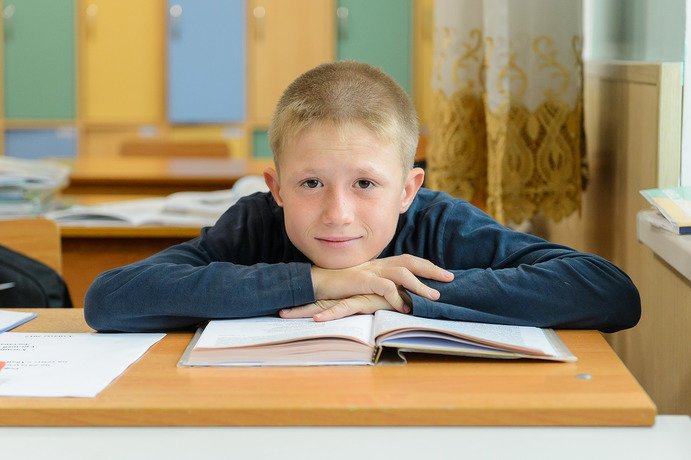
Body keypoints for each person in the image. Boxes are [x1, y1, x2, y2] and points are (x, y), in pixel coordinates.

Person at [84, 61, 640, 333]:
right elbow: (110, 300)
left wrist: (398, 294)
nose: (338, 214)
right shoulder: (255, 224)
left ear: (407, 190)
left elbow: (610, 291)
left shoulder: (441, 225)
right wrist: (317, 281)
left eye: (366, 184)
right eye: (310, 184)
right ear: (276, 189)